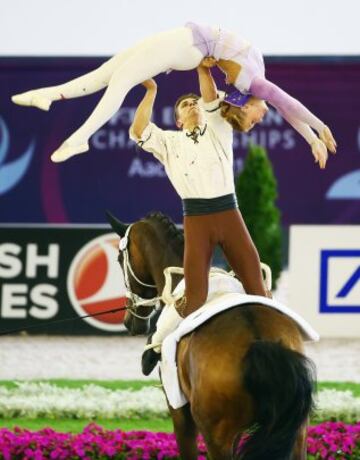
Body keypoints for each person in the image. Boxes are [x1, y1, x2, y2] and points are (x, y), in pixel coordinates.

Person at [11, 22, 336, 165]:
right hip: (183, 41)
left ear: (242, 105)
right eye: (257, 117)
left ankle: (80, 138)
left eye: (254, 120)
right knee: (107, 74)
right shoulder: (257, 85)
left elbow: (286, 107)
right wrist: (317, 132)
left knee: (120, 81)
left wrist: (313, 137)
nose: (262, 116)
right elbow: (289, 105)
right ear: (246, 105)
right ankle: (49, 95)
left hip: (185, 47)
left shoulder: (252, 87)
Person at [131, 61, 269, 376]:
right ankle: (156, 343)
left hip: (229, 213)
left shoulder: (218, 127)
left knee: (256, 287)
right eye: (184, 104)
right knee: (193, 298)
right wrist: (151, 90)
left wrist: (203, 70)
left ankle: (278, 346)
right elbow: (139, 130)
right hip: (196, 220)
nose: (192, 104)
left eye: (194, 102)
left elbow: (209, 100)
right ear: (177, 120)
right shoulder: (168, 143)